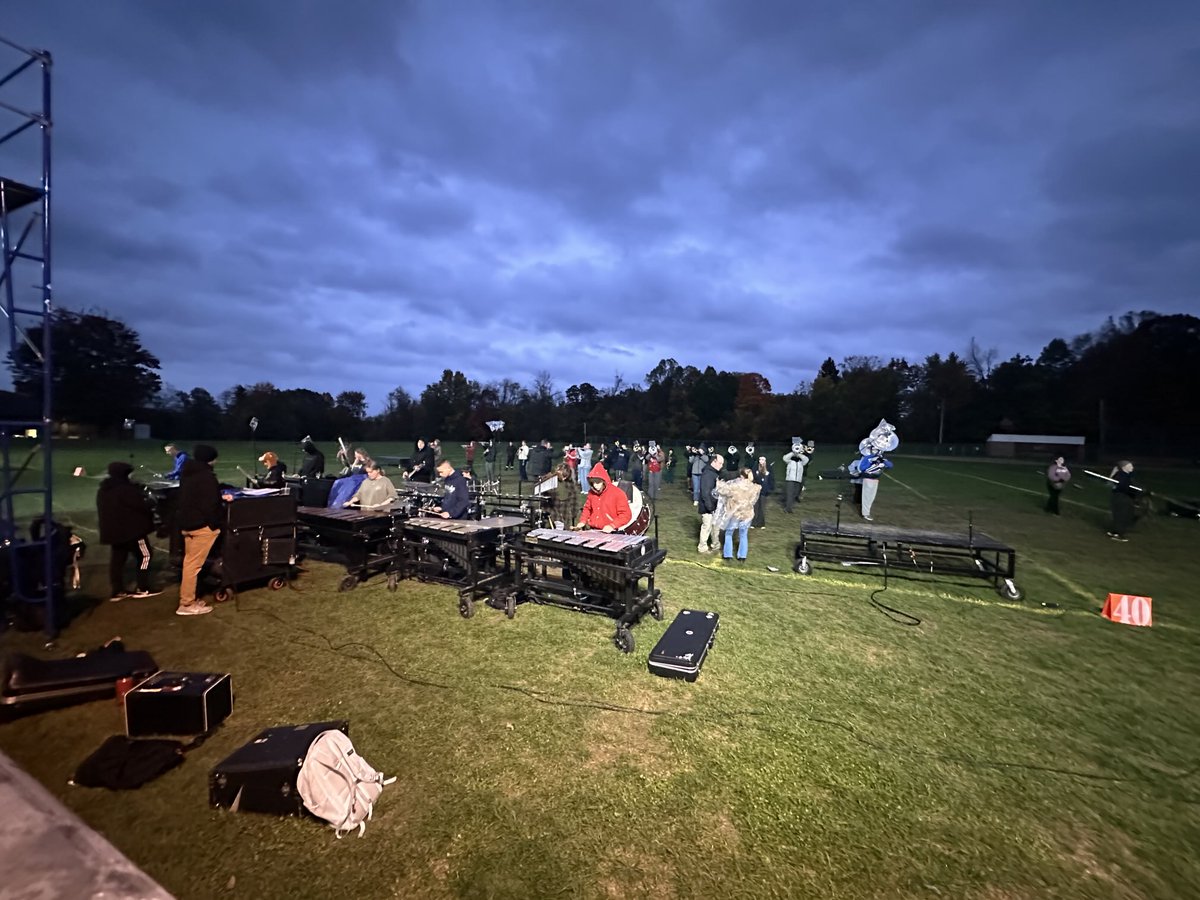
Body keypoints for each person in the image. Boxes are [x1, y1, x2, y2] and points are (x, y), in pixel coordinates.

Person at [176, 444, 234, 616]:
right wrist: (216, 524)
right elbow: (210, 505)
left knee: (190, 563)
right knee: (193, 565)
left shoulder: (189, 473)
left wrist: (218, 496)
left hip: (188, 523)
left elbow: (197, 497)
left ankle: (190, 598)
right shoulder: (207, 476)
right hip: (201, 526)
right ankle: (186, 604)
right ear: (211, 459)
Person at [96, 461, 161, 601]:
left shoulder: (104, 489)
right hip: (132, 530)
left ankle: (117, 590)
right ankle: (143, 587)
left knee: (117, 560)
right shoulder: (127, 489)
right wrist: (150, 502)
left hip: (113, 532)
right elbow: (142, 506)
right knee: (145, 556)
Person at [717, 469, 762, 561]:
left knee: (729, 533)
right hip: (747, 514)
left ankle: (728, 555)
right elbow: (753, 500)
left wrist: (719, 482)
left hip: (735, 513)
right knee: (743, 534)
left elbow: (723, 491)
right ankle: (742, 556)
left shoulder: (736, 486)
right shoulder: (754, 487)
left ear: (741, 476)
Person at [575, 463, 632, 533]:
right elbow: (587, 508)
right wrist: (583, 521)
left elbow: (625, 515)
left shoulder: (618, 493)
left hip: (611, 531)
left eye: (598, 482)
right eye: (593, 483)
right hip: (593, 530)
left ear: (604, 481)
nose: (595, 485)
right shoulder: (591, 493)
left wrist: (613, 525)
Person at [697, 453, 724, 553]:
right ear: (714, 462)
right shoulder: (708, 474)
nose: (721, 466)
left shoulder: (715, 473)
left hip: (714, 506)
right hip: (708, 507)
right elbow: (705, 492)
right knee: (707, 526)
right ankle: (702, 547)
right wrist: (710, 507)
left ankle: (715, 544)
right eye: (720, 463)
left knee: (715, 527)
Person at [1107, 460, 1138, 541]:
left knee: (1119, 515)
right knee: (1122, 516)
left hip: (1120, 497)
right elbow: (1123, 487)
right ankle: (1118, 534)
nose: (1132, 468)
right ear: (1124, 467)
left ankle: (1115, 531)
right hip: (1122, 498)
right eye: (1130, 466)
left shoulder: (1125, 475)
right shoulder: (1122, 476)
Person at [858, 452, 893, 521]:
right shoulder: (867, 457)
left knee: (871, 497)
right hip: (868, 479)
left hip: (876, 479)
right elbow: (862, 468)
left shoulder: (881, 458)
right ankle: (865, 514)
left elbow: (890, 466)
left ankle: (866, 512)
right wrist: (870, 461)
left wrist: (883, 460)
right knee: (867, 497)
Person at [548, 463, 579, 529]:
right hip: (552, 510)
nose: (564, 478)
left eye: (566, 477)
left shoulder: (570, 484)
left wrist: (574, 513)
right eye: (563, 476)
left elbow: (574, 500)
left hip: (565, 510)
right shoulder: (550, 481)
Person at [782, 443, 810, 513]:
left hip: (798, 480)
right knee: (790, 494)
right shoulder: (790, 462)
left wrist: (798, 453)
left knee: (795, 494)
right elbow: (784, 458)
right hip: (790, 480)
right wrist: (793, 452)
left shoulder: (801, 463)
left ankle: (790, 506)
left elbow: (806, 459)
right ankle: (788, 509)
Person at [752, 456, 774, 528]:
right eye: (760, 459)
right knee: (755, 507)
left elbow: (771, 479)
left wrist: (769, 489)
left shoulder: (769, 468)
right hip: (756, 490)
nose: (761, 461)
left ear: (765, 460)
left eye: (763, 460)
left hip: (764, 491)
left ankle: (761, 523)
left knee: (762, 508)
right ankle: (753, 523)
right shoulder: (755, 467)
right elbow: (753, 478)